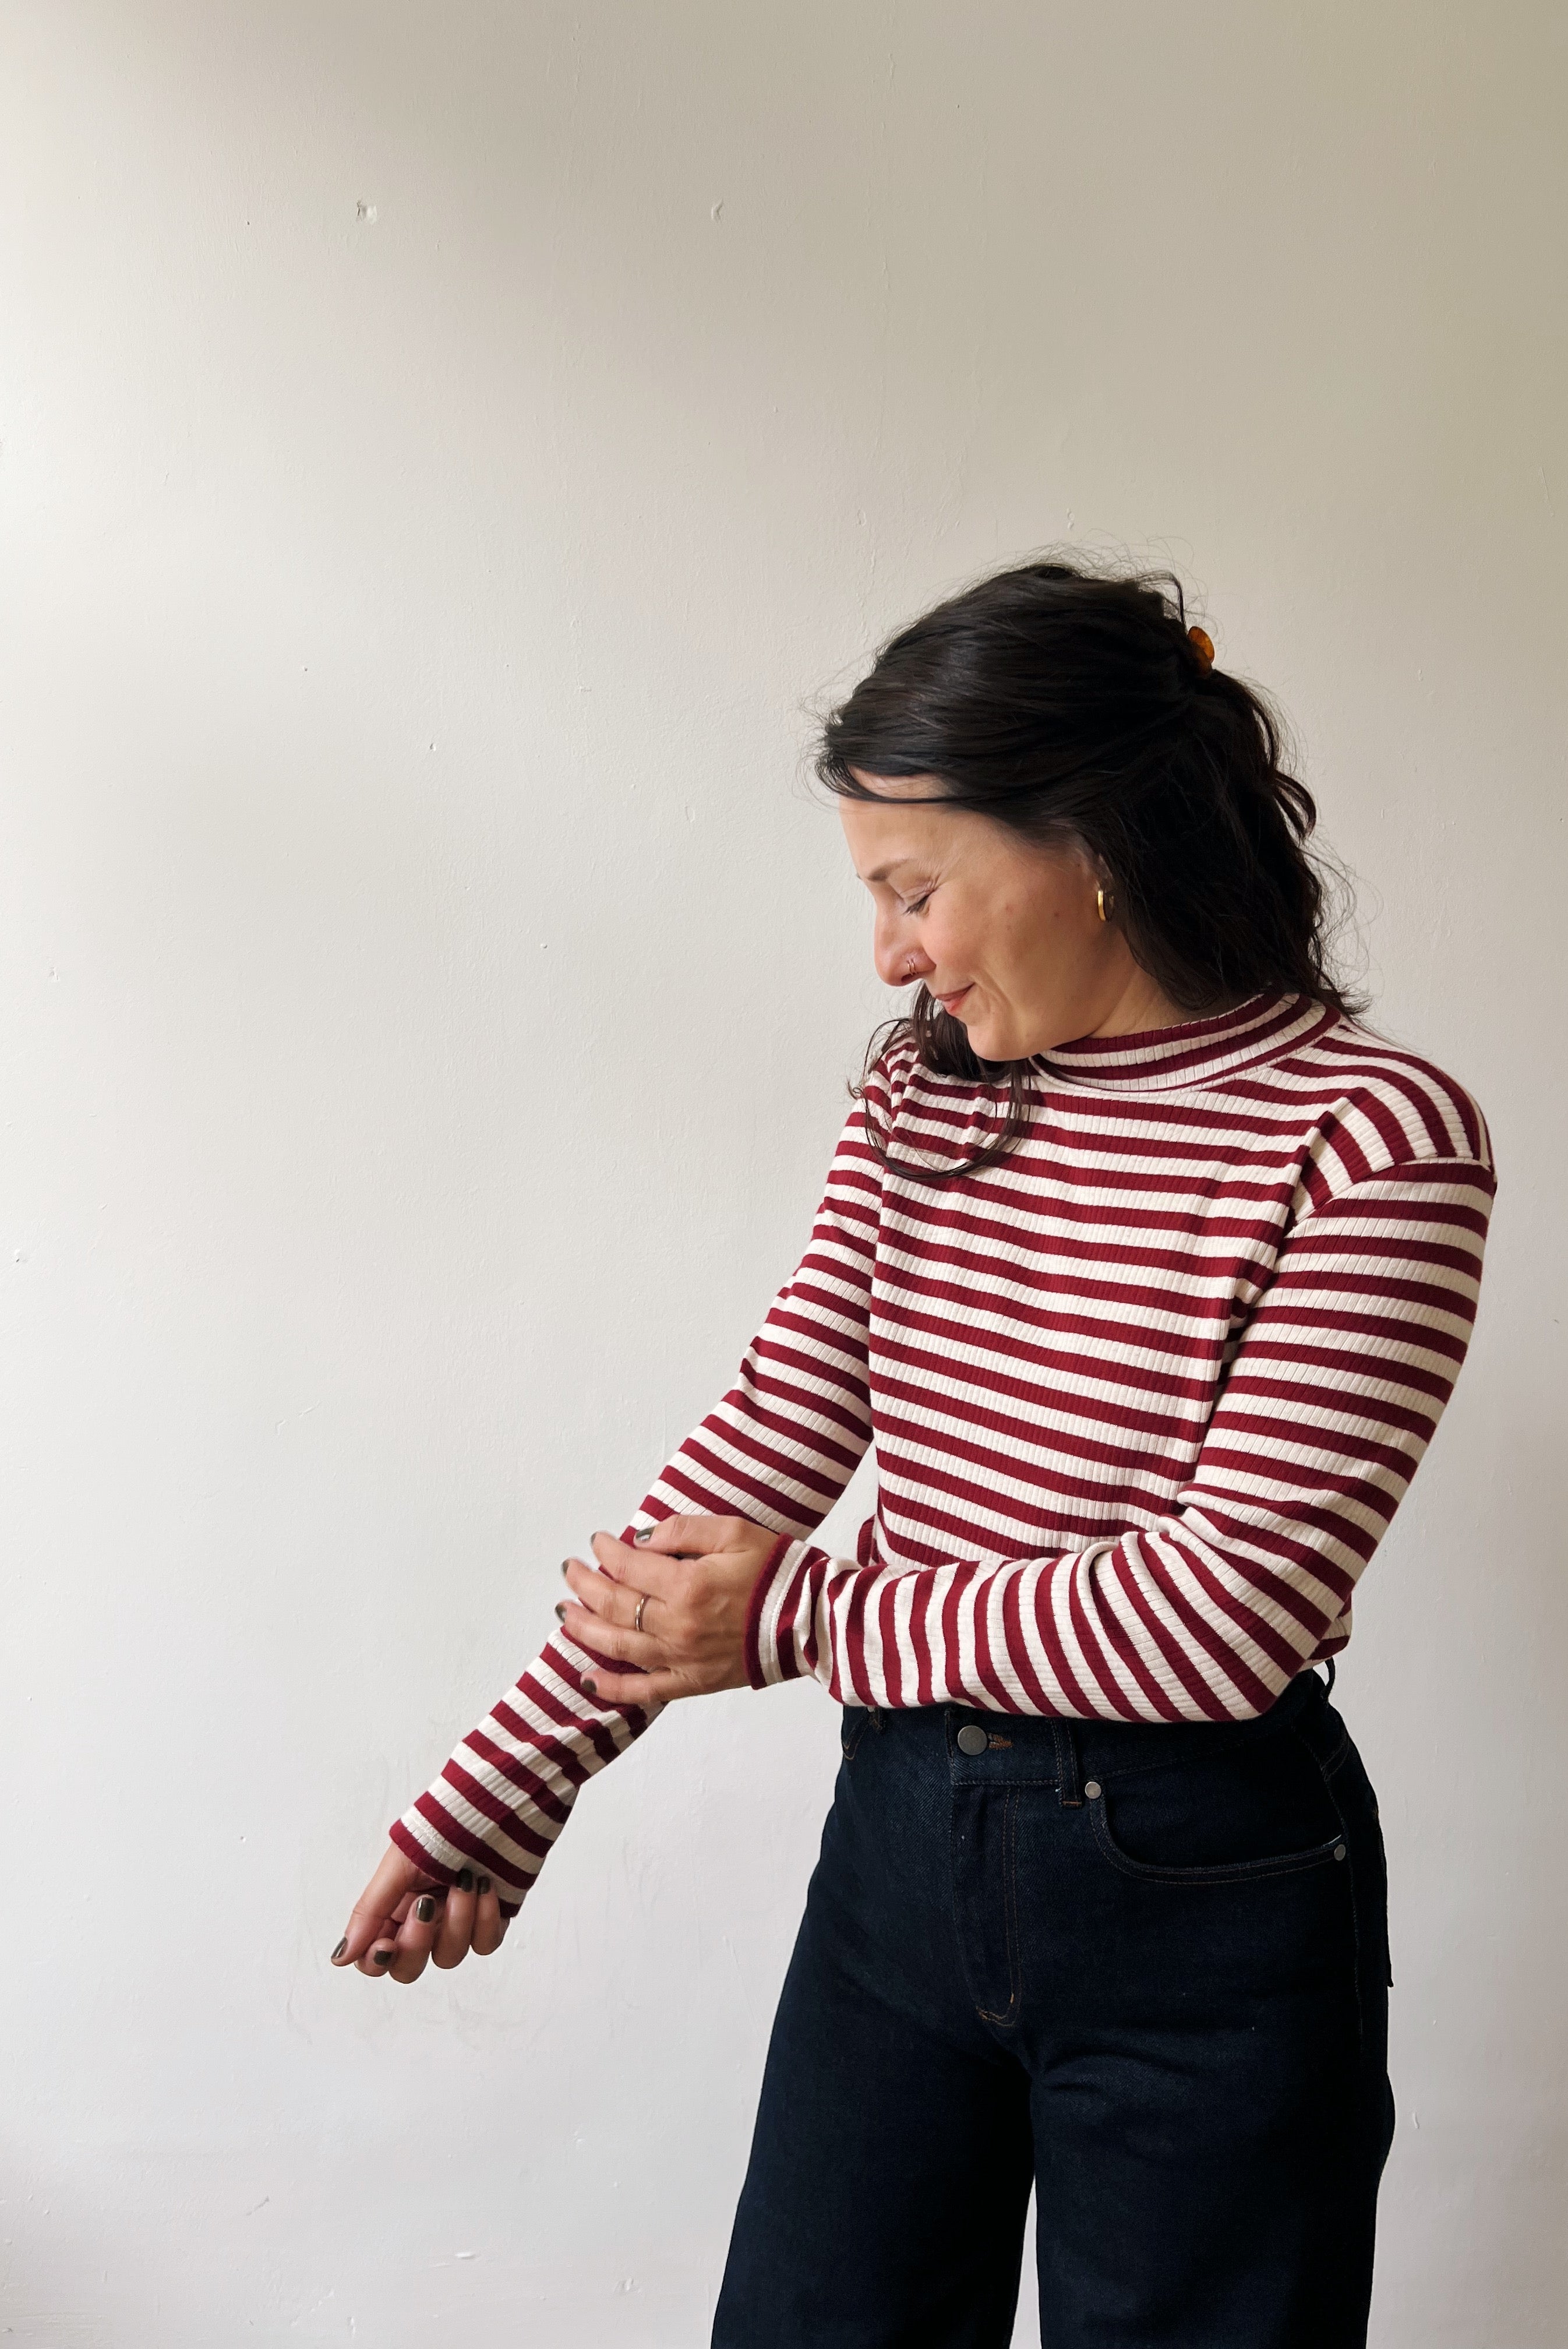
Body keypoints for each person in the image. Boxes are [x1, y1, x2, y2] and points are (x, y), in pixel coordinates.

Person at [333, 559, 1495, 2348]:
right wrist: (519, 1773)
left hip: (1202, 1898)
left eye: (913, 888)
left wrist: (792, 1625)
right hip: (897, 1857)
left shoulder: (1371, 1133)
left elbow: (1224, 1616)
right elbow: (770, 1433)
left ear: (1088, 841)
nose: (888, 951)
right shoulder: (922, 1096)